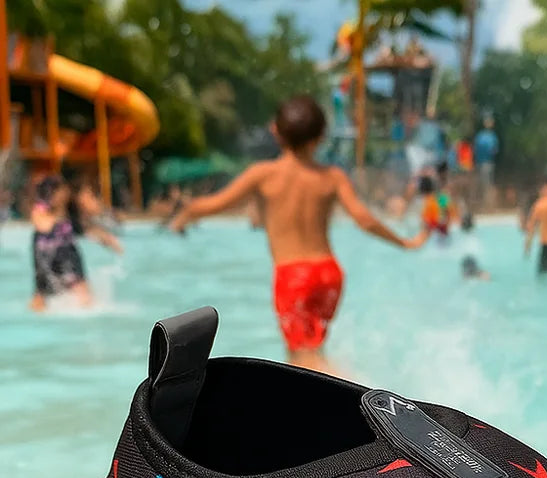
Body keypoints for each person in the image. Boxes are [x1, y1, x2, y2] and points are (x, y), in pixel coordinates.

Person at [170, 95, 424, 374]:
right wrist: (404, 242)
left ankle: (352, 391)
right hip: (329, 275)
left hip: (294, 278)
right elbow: (364, 219)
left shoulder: (263, 174)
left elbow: (213, 205)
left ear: (275, 131)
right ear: (321, 137)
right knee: (312, 350)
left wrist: (184, 215)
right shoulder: (332, 176)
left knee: (302, 360)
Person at [29, 174, 122, 311]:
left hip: (68, 255)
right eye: (60, 191)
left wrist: (106, 239)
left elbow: (84, 228)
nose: (64, 194)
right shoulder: (41, 209)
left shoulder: (70, 211)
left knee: (84, 297)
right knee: (41, 296)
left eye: (64, 190)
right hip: (46, 255)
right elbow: (43, 224)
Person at [419, 174, 458, 241]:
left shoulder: (426, 203)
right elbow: (454, 218)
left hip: (438, 234)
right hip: (446, 233)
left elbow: (425, 223)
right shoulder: (442, 198)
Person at [473, 116, 499, 206]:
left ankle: (486, 203)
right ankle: (487, 203)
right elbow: (494, 150)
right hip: (487, 163)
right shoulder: (492, 136)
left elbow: (475, 149)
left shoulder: (481, 136)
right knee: (487, 184)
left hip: (482, 163)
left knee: (485, 183)